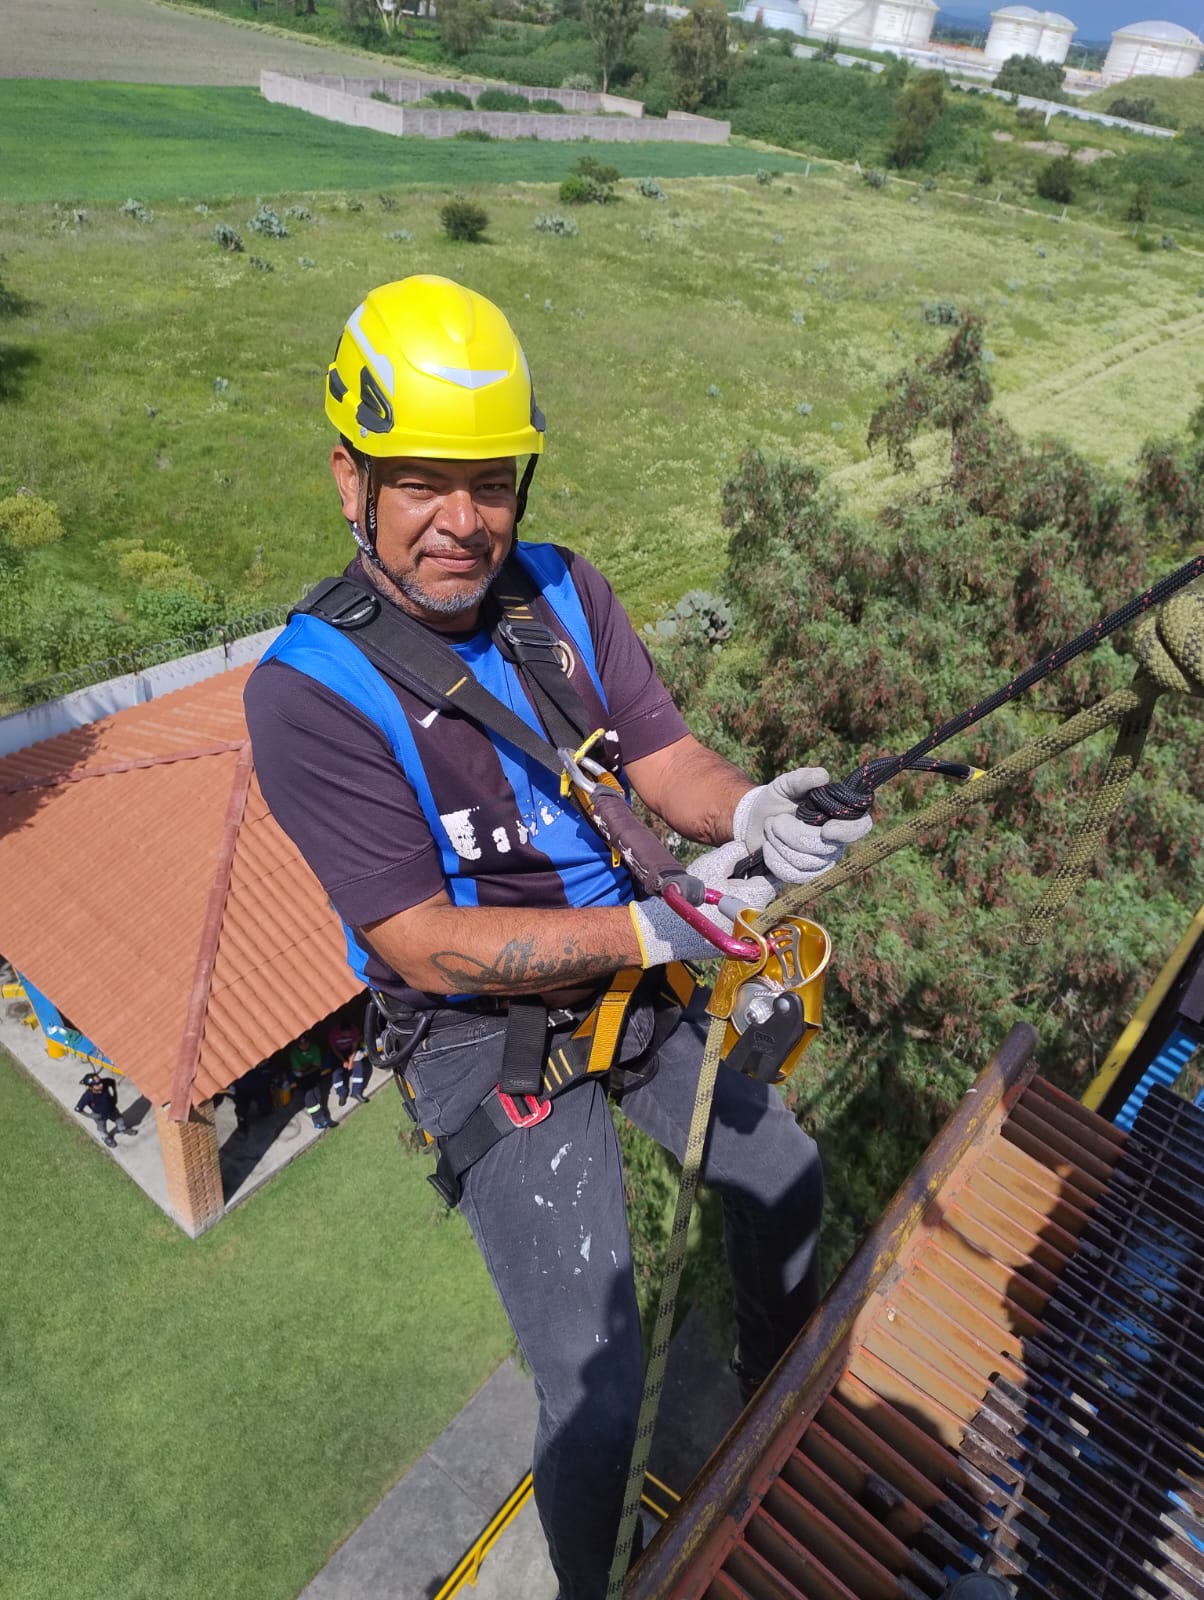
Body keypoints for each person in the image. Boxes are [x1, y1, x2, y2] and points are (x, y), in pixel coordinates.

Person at [244, 275, 870, 1600]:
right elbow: (425, 944)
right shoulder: (310, 694)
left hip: (642, 959)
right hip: (484, 1037)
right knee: (599, 1399)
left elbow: (667, 760)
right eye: (423, 482)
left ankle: (777, 1415)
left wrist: (752, 809)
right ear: (352, 479)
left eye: (491, 483)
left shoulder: (562, 593)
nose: (463, 521)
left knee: (787, 1177)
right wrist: (653, 922)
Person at [288, 1031, 336, 1131]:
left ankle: (319, 1119)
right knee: (309, 1094)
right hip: (301, 1077)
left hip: (313, 1073)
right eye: (301, 1044)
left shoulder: (314, 1048)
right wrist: (310, 1066)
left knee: (317, 1093)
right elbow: (298, 1070)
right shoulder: (294, 1053)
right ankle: (319, 1119)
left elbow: (317, 1065)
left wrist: (306, 1068)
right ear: (298, 1045)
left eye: (306, 1043)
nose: (304, 1046)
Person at [74, 1072, 133, 1148]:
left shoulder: (105, 1082)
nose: (101, 1085)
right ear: (90, 1087)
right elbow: (78, 1109)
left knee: (119, 1120)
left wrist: (114, 1094)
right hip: (100, 1116)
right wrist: (90, 1116)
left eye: (100, 1082)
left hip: (112, 1109)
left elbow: (112, 1082)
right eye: (97, 1085)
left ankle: (122, 1129)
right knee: (102, 1128)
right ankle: (105, 1138)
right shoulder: (87, 1096)